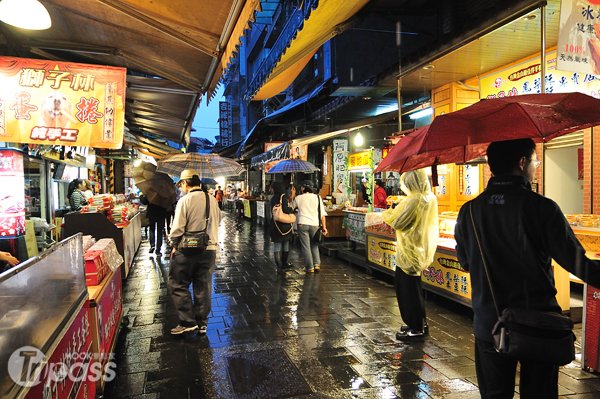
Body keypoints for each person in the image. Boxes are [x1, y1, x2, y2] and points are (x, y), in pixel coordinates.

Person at [454, 139, 600, 398]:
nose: (535, 167)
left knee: (495, 395)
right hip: (538, 324)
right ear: (522, 163)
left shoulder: (469, 211)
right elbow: (576, 262)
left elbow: (466, 262)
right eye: (535, 162)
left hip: (490, 322)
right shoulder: (542, 207)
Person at [382, 169, 438, 341]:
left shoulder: (414, 199)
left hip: (409, 252)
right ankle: (420, 322)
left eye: (405, 182)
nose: (403, 185)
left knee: (408, 291)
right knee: (416, 289)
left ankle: (416, 328)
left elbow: (398, 222)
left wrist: (389, 213)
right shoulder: (430, 197)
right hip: (419, 249)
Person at [168, 169, 221, 335]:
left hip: (187, 251)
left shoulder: (185, 200)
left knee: (178, 283)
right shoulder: (211, 199)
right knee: (204, 286)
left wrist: (174, 245)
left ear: (185, 183)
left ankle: (187, 321)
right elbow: (219, 220)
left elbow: (177, 229)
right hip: (209, 250)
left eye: (182, 184)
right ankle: (202, 323)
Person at [290, 180, 328, 273]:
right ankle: (317, 264)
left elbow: (290, 207)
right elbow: (322, 214)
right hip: (315, 224)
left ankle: (309, 267)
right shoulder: (318, 198)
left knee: (306, 246)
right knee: (314, 244)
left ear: (303, 188)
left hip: (302, 224)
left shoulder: (299, 198)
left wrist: (292, 196)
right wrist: (324, 227)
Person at [269, 182, 294, 274]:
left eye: (271, 188)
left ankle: (278, 266)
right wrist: (292, 209)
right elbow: (285, 209)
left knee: (277, 245)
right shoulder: (283, 196)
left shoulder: (273, 198)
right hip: (284, 224)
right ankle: (284, 264)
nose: (270, 190)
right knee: (286, 244)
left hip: (275, 224)